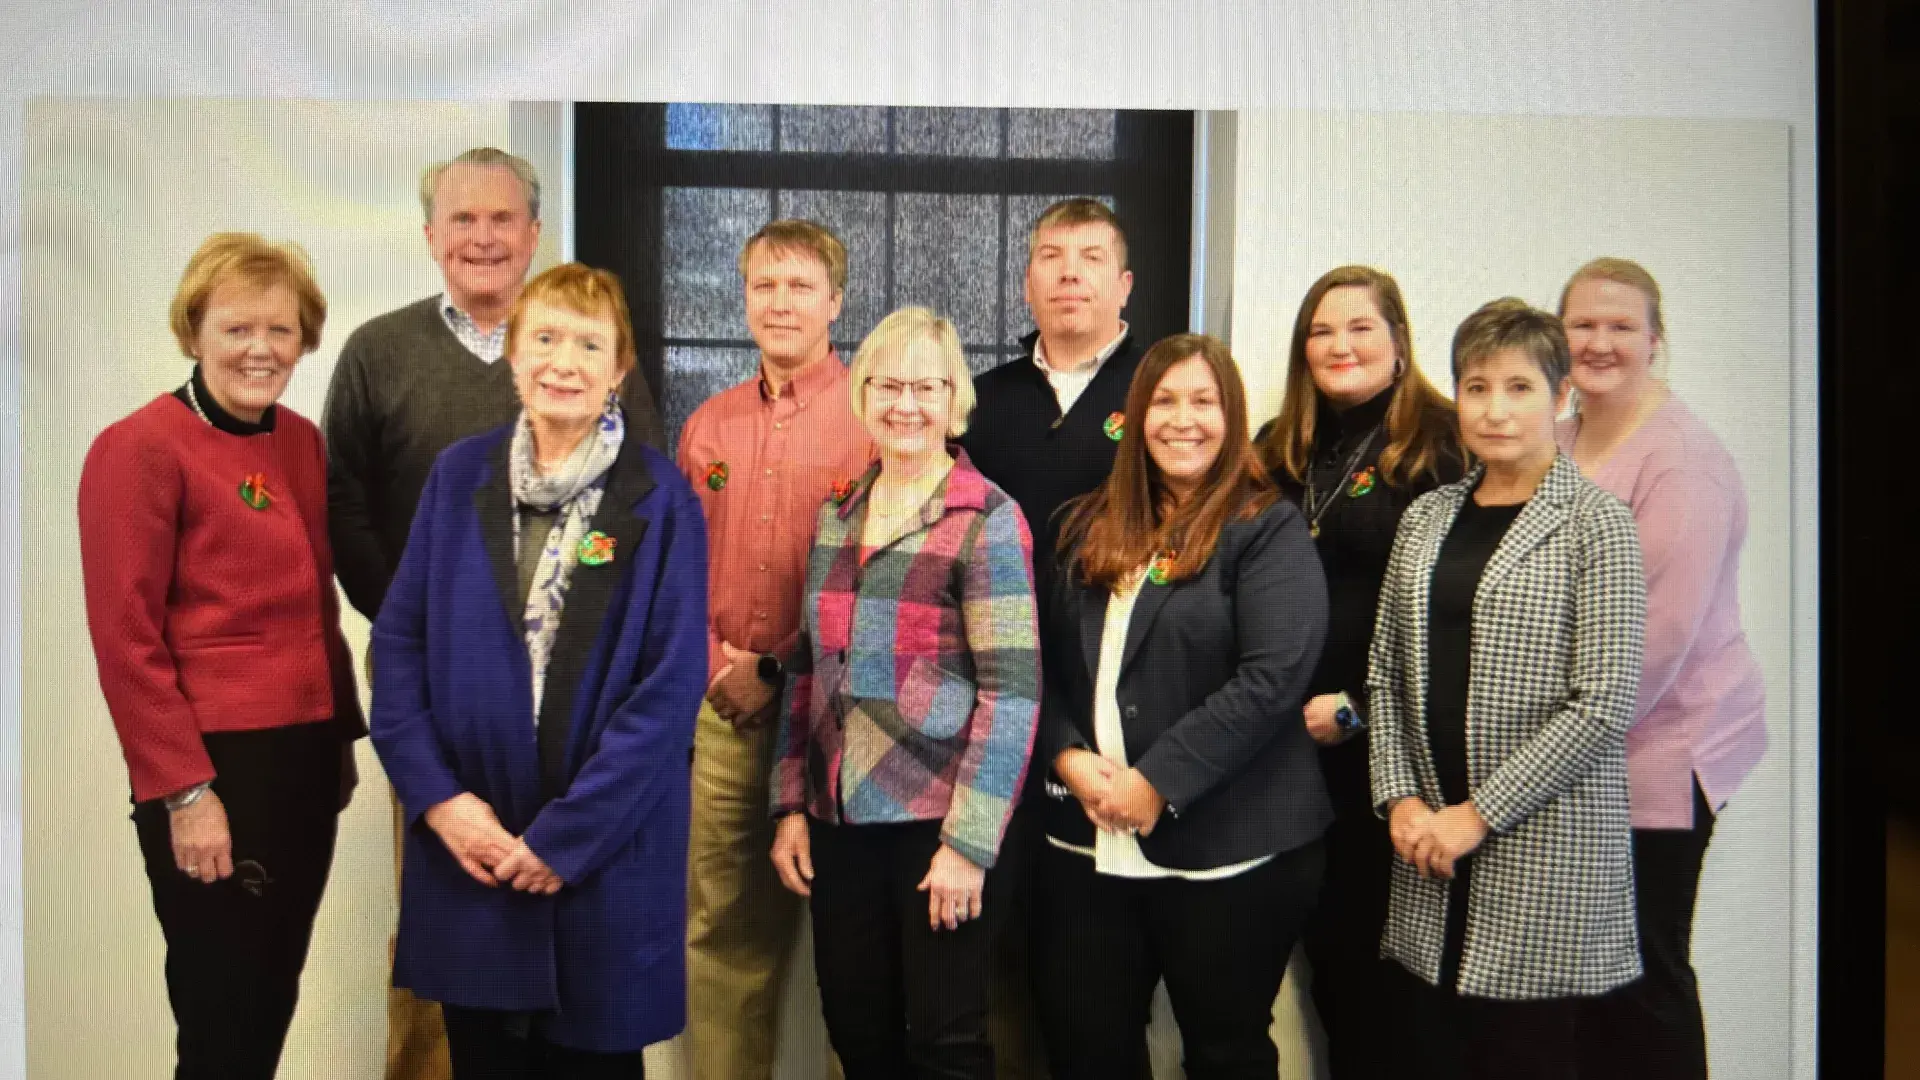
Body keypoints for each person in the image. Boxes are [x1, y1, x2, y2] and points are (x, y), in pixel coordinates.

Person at [322, 146, 664, 1080]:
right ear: (430, 235)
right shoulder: (387, 366)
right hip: (442, 704)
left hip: (585, 722)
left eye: (501, 218)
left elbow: (642, 519)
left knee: (577, 944)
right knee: (450, 920)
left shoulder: (603, 376)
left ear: (534, 232)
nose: (482, 237)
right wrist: (432, 631)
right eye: (462, 219)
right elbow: (346, 508)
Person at [369, 263, 707, 1079]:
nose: (564, 362)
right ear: (514, 356)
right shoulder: (457, 478)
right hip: (473, 854)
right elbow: (400, 650)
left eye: (589, 344)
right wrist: (442, 805)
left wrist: (565, 839)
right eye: (545, 338)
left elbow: (668, 693)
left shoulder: (660, 499)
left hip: (603, 859)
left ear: (619, 367)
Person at [77, 232, 364, 1080]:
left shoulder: (300, 440)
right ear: (194, 331)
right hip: (215, 771)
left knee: (269, 999)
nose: (260, 349)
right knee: (223, 1018)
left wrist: (339, 740)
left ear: (305, 339)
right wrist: (185, 792)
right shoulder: (139, 447)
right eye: (237, 328)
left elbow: (315, 599)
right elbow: (125, 640)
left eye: (280, 329)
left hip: (304, 761)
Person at [1035, 333, 1332, 1080]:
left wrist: (1156, 782)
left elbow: (1272, 678)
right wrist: (1067, 755)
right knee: (1087, 1048)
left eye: (1204, 401)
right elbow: (1040, 664)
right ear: (1137, 416)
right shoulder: (1085, 523)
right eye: (1164, 401)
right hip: (1089, 841)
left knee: (1226, 1054)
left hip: (1233, 844)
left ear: (1232, 417)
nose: (1183, 419)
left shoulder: (1267, 527)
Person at [1369, 298, 1646, 1079]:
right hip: (1427, 848)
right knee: (1429, 1053)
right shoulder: (1426, 517)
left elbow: (1603, 703)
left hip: (1541, 848)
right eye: (1477, 387)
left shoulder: (1597, 522)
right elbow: (1384, 673)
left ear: (1561, 396)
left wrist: (1478, 814)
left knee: (1525, 1055)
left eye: (1519, 387)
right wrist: (1399, 799)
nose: (1495, 410)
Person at [768, 306, 1041, 1079]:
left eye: (927, 387)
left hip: (938, 823)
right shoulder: (837, 515)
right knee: (858, 1033)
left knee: (946, 1046)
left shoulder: (987, 519)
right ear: (863, 396)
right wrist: (789, 807)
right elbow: (806, 671)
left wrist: (969, 845)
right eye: (888, 386)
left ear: (955, 400)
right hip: (839, 820)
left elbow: (1014, 693)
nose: (906, 404)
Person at [1556, 258, 1768, 1079]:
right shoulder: (1562, 436)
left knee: (1642, 971)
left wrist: (1553, 747)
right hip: (1590, 739)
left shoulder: (1681, 462)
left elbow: (1660, 640)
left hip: (1662, 745)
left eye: (1621, 326)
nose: (1599, 341)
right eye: (1582, 324)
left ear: (1655, 340)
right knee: (1584, 973)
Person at [1253, 266, 1463, 1079]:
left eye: (1359, 327)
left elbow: (1457, 621)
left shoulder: (1444, 445)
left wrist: (1358, 710)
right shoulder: (1279, 446)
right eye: (1321, 331)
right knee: (1333, 968)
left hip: (1398, 757)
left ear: (1399, 341)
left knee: (1400, 985)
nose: (1339, 345)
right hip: (1291, 754)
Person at [675, 219, 873, 1079]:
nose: (781, 303)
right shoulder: (708, 426)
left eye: (800, 286)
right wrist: (719, 665)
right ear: (745, 298)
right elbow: (674, 568)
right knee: (724, 938)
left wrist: (775, 666)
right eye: (765, 285)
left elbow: (885, 583)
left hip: (843, 720)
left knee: (857, 951)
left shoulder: (877, 420)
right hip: (725, 714)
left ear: (836, 301)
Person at [959, 196, 1146, 1077]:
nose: (1070, 273)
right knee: (989, 960)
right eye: (1051, 257)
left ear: (1125, 283)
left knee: (1092, 984)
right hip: (990, 710)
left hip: (1115, 720)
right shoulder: (979, 401)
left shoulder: (1162, 391)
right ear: (1027, 281)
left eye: (1091, 257)